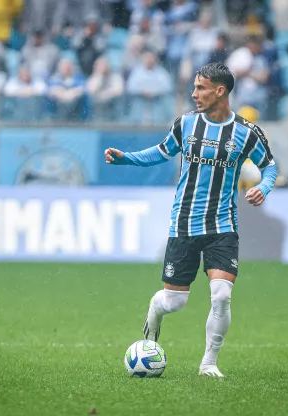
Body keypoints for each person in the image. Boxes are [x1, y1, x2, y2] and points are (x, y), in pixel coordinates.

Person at [104, 62, 278, 378]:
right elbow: (161, 152)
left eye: (201, 88)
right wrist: (126, 158)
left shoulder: (246, 133)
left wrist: (263, 188)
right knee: (174, 302)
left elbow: (270, 167)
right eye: (195, 87)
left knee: (222, 296)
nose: (194, 93)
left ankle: (209, 363)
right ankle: (154, 311)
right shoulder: (186, 124)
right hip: (183, 224)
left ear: (220, 91)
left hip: (222, 227)